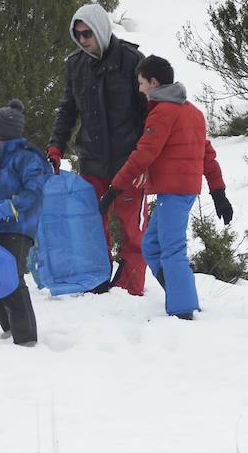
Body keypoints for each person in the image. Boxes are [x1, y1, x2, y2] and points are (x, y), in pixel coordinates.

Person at [97, 55, 233, 319]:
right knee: (151, 245)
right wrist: (218, 193)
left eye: (141, 83)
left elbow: (143, 155)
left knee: (172, 249)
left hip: (176, 191)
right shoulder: (191, 111)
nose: (139, 88)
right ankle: (179, 294)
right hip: (176, 191)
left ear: (154, 82)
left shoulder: (163, 112)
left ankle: (183, 311)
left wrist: (114, 189)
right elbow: (207, 154)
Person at [47, 3, 149, 296]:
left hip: (129, 165)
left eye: (87, 33)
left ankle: (130, 291)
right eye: (77, 35)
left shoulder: (132, 60)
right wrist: (55, 145)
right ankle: (97, 283)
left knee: (133, 232)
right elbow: (67, 110)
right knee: (91, 226)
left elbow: (148, 115)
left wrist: (145, 164)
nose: (83, 40)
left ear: (101, 28)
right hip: (91, 163)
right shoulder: (75, 64)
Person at [0, 100, 51, 346]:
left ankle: (26, 338)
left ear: (3, 133)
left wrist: (5, 209)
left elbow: (33, 193)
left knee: (12, 279)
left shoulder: (27, 159)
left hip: (18, 228)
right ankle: (9, 323)